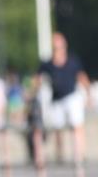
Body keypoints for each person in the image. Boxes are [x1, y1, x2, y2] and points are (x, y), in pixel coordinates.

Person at [34, 32, 92, 162]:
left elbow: (82, 77)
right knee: (58, 127)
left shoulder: (72, 62)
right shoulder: (47, 64)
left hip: (71, 96)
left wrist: (89, 94)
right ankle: (60, 154)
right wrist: (33, 91)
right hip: (57, 99)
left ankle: (80, 154)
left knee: (77, 125)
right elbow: (37, 78)